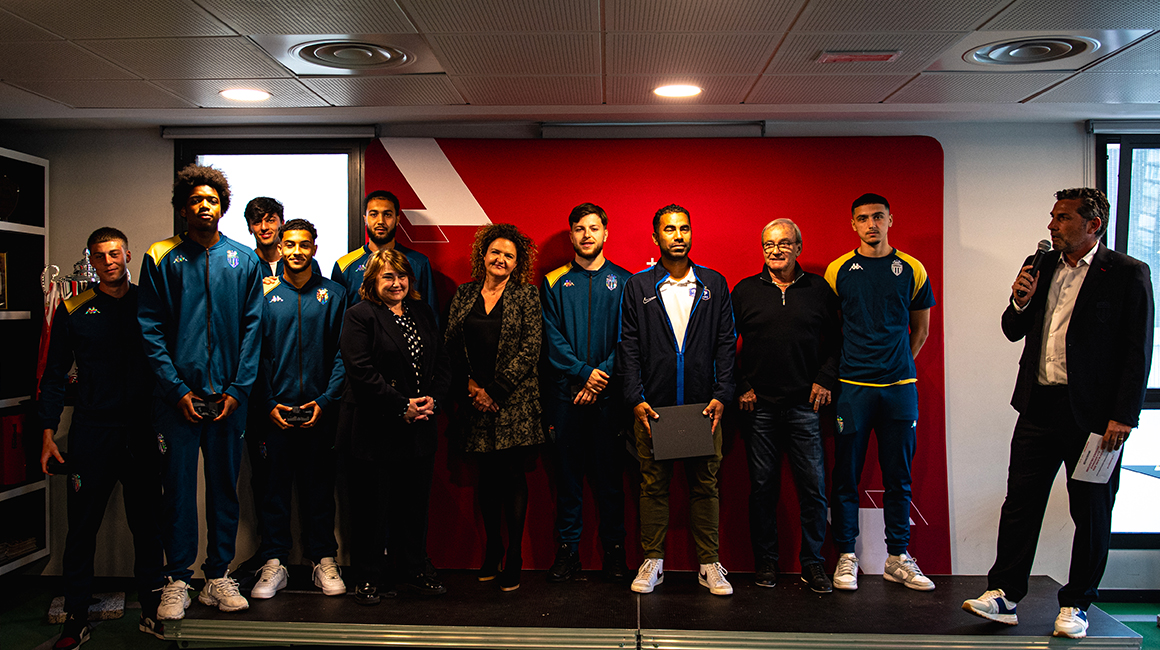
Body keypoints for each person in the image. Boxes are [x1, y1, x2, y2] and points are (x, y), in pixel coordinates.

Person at [962, 188, 1154, 639]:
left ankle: (1077, 604)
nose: (1052, 226)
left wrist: (1124, 415)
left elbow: (1137, 349)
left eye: (1063, 218)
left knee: (1091, 511)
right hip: (1038, 406)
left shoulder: (1127, 273)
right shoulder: (1041, 266)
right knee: (1020, 503)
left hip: (1096, 418)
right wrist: (1020, 299)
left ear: (1093, 225)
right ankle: (1004, 594)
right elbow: (1012, 329)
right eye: (1052, 216)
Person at [138, 164, 264, 620]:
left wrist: (238, 390)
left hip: (229, 401)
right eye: (196, 200)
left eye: (212, 200)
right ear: (183, 208)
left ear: (222, 207)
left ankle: (217, 576)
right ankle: (177, 580)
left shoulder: (244, 260)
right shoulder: (161, 257)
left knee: (224, 490)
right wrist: (176, 390)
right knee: (176, 491)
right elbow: (150, 328)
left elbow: (253, 329)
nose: (204, 206)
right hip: (177, 402)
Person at [38, 228, 166, 648]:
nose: (108, 261)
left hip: (143, 431)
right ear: (91, 261)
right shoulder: (74, 308)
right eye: (99, 255)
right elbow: (53, 375)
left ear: (127, 255)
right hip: (93, 432)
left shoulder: (151, 301)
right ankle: (76, 618)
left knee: (148, 526)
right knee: (81, 529)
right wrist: (47, 433)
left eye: (114, 253)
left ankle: (152, 609)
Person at [615, 204, 736, 596]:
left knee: (706, 487)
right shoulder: (638, 287)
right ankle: (653, 561)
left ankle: (709, 564)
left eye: (684, 228)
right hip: (654, 408)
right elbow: (628, 346)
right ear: (656, 237)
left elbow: (726, 344)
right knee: (653, 486)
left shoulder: (714, 284)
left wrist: (722, 395)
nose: (678, 236)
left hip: (704, 408)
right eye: (669, 229)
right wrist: (635, 398)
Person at [824, 192, 936, 592]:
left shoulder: (912, 269)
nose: (871, 224)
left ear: (890, 220)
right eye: (863, 218)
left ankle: (898, 557)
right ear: (853, 224)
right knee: (846, 476)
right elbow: (829, 330)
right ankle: (846, 556)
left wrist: (895, 364)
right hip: (853, 388)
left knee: (898, 477)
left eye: (877, 216)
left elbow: (920, 330)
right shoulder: (838, 270)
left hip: (899, 389)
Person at [731, 218, 840, 594]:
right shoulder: (744, 291)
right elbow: (723, 345)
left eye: (783, 243)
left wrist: (826, 378)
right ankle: (766, 561)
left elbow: (838, 342)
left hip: (804, 406)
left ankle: (813, 562)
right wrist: (741, 385)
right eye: (769, 244)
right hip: (758, 408)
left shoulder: (819, 290)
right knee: (762, 489)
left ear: (798, 248)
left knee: (814, 489)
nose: (775, 250)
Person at [339, 248, 451, 604]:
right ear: (372, 280)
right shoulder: (359, 316)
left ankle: (415, 570)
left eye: (401, 276)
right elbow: (360, 372)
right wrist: (401, 406)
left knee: (415, 507)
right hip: (376, 427)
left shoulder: (422, 312)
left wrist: (433, 400)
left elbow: (442, 362)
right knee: (372, 509)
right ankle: (368, 577)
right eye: (388, 276)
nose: (396, 283)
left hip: (419, 427)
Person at [249, 219, 347, 601]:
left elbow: (343, 355)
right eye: (289, 244)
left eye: (304, 244)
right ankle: (274, 562)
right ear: (280, 248)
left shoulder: (335, 295)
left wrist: (325, 401)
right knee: (272, 492)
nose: (296, 251)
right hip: (274, 413)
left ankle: (323, 559)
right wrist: (268, 403)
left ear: (314, 249)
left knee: (319, 491)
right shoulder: (263, 295)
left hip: (320, 414)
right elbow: (254, 355)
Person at [444, 223, 544, 592]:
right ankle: (493, 550)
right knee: (486, 479)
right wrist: (470, 387)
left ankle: (514, 556)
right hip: (474, 402)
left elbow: (531, 350)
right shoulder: (465, 293)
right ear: (483, 255)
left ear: (518, 263)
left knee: (513, 477)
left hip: (514, 403)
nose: (500, 259)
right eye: (495, 252)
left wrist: (495, 392)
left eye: (509, 256)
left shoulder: (526, 295)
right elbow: (450, 344)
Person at [541, 203, 630, 582]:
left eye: (594, 228)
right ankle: (568, 552)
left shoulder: (626, 281)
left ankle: (615, 553)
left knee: (610, 481)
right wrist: (582, 374)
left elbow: (628, 340)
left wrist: (600, 377)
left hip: (609, 399)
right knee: (567, 481)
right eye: (580, 228)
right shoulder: (553, 282)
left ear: (606, 233)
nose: (587, 235)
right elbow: (551, 339)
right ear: (571, 234)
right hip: (567, 397)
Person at [332, 190, 438, 315]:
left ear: (397, 219)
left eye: (387, 214)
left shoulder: (419, 263)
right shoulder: (344, 266)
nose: (380, 221)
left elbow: (430, 316)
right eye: (374, 214)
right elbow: (338, 318)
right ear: (365, 219)